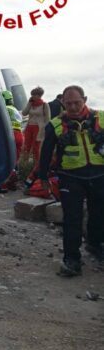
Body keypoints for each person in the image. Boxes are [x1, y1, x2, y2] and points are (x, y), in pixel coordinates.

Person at [37, 85, 104, 276]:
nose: (73, 107)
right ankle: (72, 259)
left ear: (85, 99)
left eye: (77, 102)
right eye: (69, 104)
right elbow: (46, 152)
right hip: (70, 177)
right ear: (63, 103)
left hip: (100, 174)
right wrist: (43, 177)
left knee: (99, 213)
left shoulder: (101, 118)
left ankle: (95, 244)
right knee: (72, 218)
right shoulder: (56, 125)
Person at [0, 90, 24, 192]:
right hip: (20, 135)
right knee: (15, 161)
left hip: (10, 135)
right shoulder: (15, 109)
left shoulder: (4, 109)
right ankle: (12, 184)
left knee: (5, 160)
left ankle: (3, 185)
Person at [21, 86, 51, 162]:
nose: (32, 96)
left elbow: (48, 119)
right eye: (32, 95)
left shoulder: (44, 105)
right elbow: (24, 113)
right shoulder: (31, 104)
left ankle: (36, 164)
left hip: (39, 128)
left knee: (36, 147)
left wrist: (45, 130)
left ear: (39, 95)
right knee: (26, 146)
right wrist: (29, 103)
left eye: (34, 95)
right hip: (29, 127)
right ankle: (24, 162)